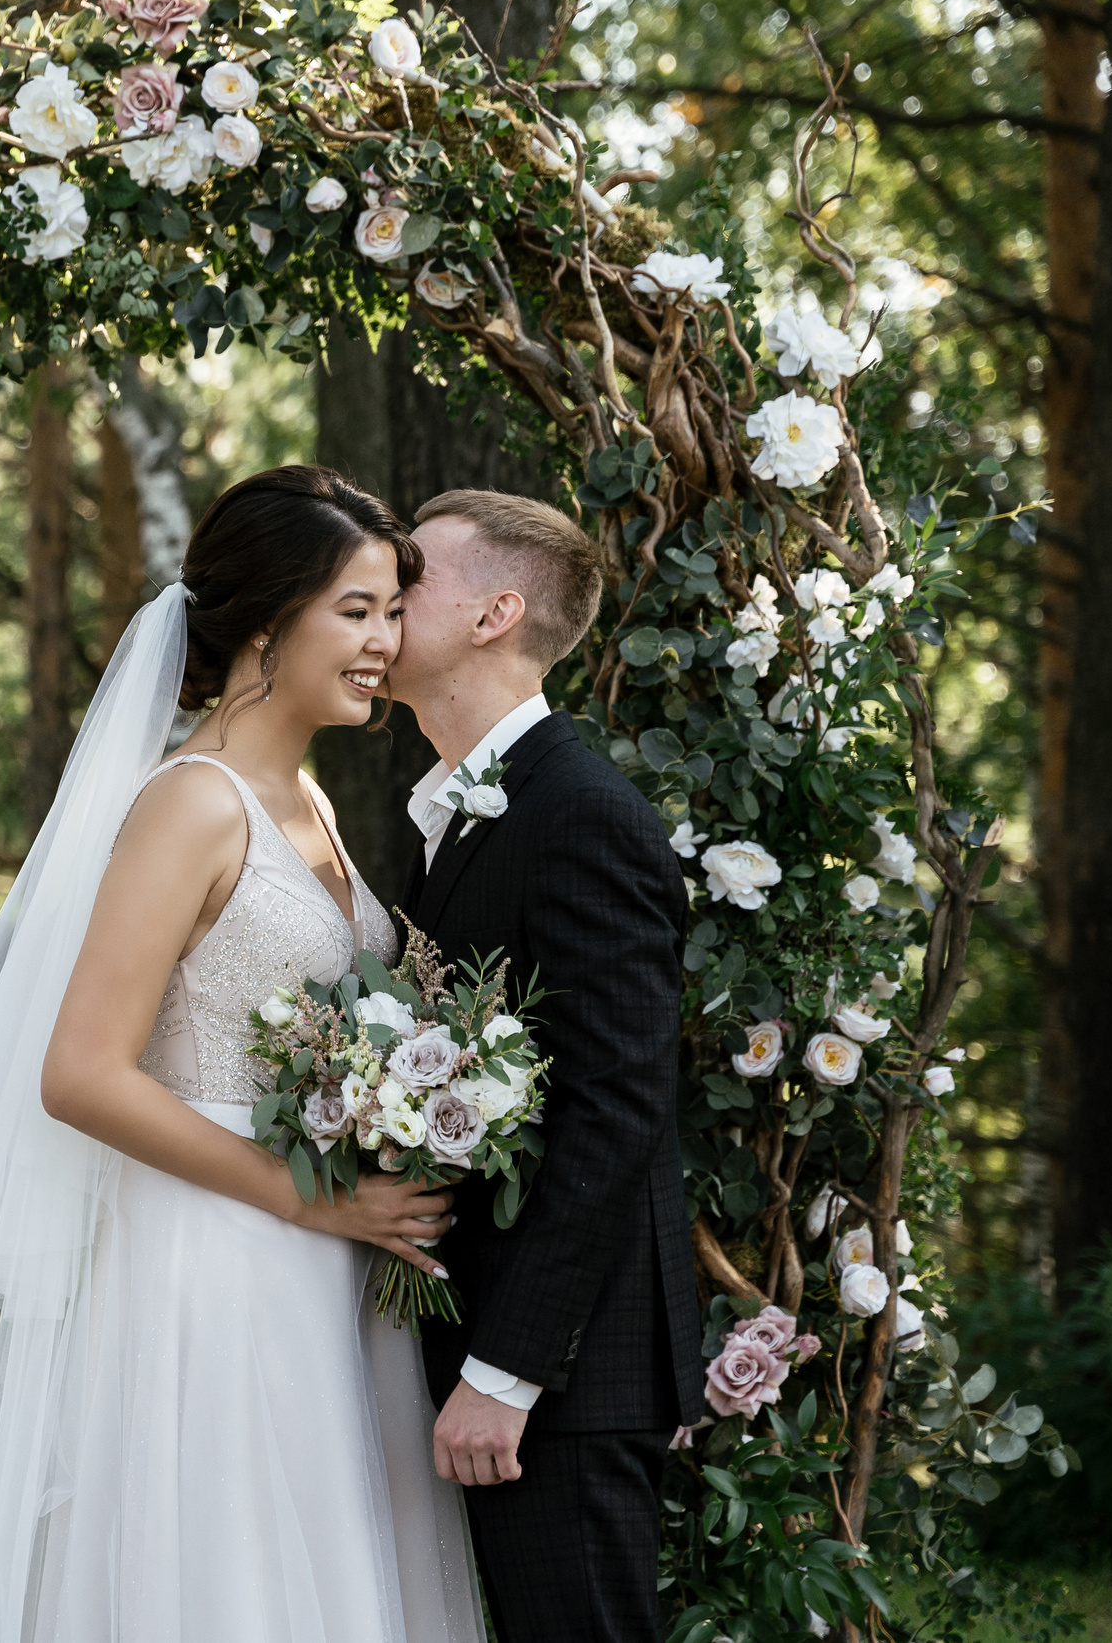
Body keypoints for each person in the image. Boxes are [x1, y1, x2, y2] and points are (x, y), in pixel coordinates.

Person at [0, 465, 484, 1643]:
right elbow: (80, 1073)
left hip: (324, 1260)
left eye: (392, 612)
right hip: (213, 1254)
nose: (384, 643)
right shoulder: (190, 803)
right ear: (265, 622)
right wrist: (307, 1201)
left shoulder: (306, 797)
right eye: (356, 611)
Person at [386, 489, 708, 1643]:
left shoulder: (579, 815)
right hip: (499, 1349)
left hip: (561, 1372)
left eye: (410, 573)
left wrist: (505, 1371)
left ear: (495, 615)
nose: (380, 592)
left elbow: (614, 1113)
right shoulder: (465, 810)